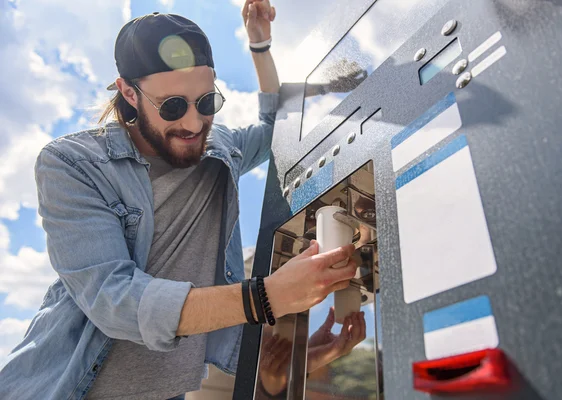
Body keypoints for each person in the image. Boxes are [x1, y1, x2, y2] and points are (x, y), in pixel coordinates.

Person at [0, 2, 362, 399]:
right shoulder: (73, 164)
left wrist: (260, 47)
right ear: (128, 93)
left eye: (206, 102)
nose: (193, 124)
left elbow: (278, 126)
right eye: (172, 106)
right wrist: (266, 296)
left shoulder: (220, 147)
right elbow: (115, 300)